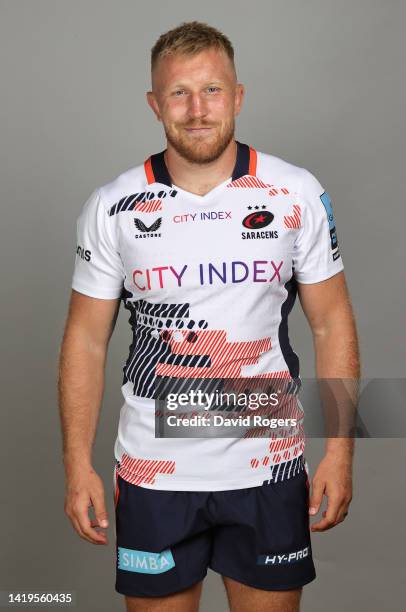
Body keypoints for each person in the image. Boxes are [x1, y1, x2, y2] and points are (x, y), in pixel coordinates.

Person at [58, 21, 359, 612]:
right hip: (154, 474)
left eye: (213, 90)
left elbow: (333, 325)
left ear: (238, 96)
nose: (197, 110)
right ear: (154, 104)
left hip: (269, 467)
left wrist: (340, 453)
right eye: (179, 93)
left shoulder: (294, 193)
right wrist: (76, 464)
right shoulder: (113, 205)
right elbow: (86, 340)